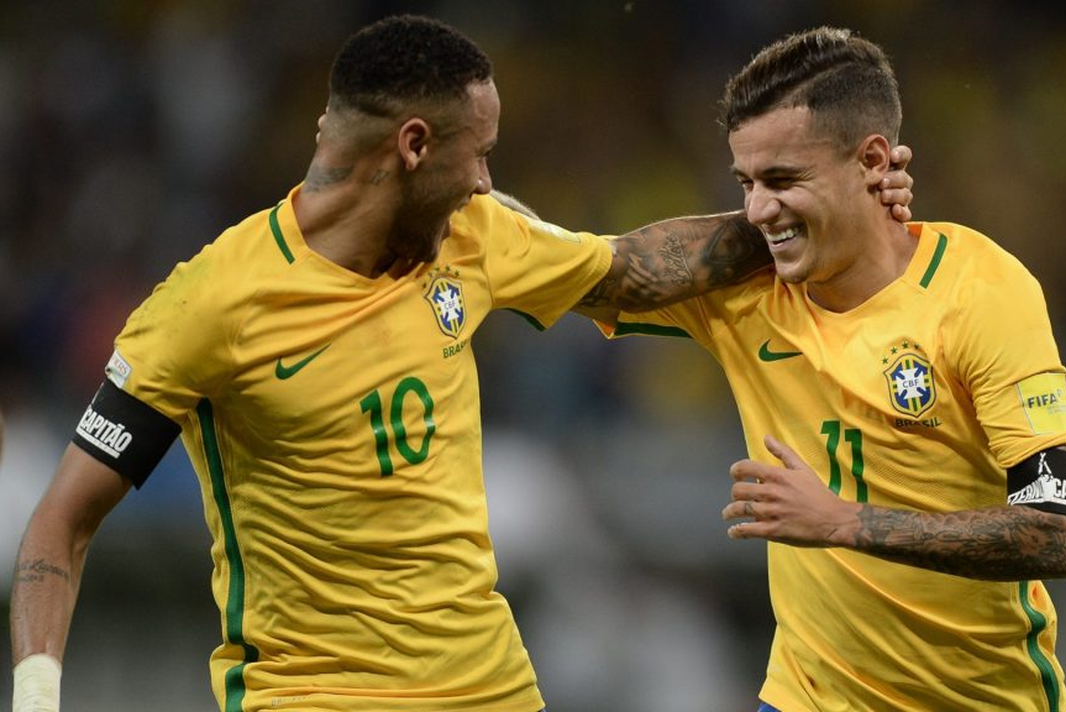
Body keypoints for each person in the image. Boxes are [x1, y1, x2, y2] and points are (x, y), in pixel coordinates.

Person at [7, 15, 915, 712]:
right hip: (317, 696)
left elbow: (636, 267)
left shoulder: (476, 236)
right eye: (478, 155)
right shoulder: (208, 308)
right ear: (413, 146)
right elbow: (60, 523)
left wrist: (831, 200)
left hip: (490, 689)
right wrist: (38, 695)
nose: (486, 181)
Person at [599, 27, 1066, 711]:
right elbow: (584, 268)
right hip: (805, 696)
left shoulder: (980, 291)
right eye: (746, 182)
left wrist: (843, 522)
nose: (757, 207)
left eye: (783, 178)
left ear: (873, 160)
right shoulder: (749, 291)